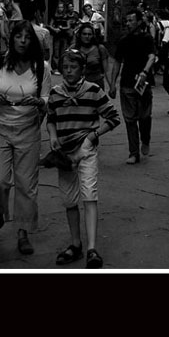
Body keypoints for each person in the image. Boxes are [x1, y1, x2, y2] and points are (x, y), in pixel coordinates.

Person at [0, 20, 50, 255]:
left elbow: (47, 98)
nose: (22, 41)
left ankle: (23, 231)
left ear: (33, 41)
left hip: (28, 130)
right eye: (18, 36)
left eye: (27, 37)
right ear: (12, 39)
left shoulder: (42, 67)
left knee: (26, 185)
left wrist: (40, 102)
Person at [45, 48, 121, 268]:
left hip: (86, 150)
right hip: (65, 153)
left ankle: (92, 248)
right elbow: (50, 119)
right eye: (65, 67)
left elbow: (113, 118)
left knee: (89, 195)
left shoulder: (94, 91)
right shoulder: (56, 93)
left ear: (82, 70)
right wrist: (52, 136)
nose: (69, 71)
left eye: (73, 67)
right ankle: (75, 243)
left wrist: (93, 135)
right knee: (69, 200)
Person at [107, 10, 157, 165]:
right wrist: (112, 83)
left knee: (144, 116)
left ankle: (146, 139)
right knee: (130, 119)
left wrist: (145, 72)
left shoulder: (147, 38)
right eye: (126, 21)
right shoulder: (123, 41)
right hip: (127, 83)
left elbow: (152, 56)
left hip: (144, 83)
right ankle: (133, 152)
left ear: (139, 22)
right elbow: (117, 62)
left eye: (130, 20)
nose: (127, 24)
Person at [72, 23, 109, 88]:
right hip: (78, 85)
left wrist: (111, 86)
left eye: (89, 34)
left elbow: (107, 70)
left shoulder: (100, 49)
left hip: (96, 84)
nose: (87, 36)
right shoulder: (74, 48)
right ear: (80, 35)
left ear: (93, 35)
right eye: (84, 34)